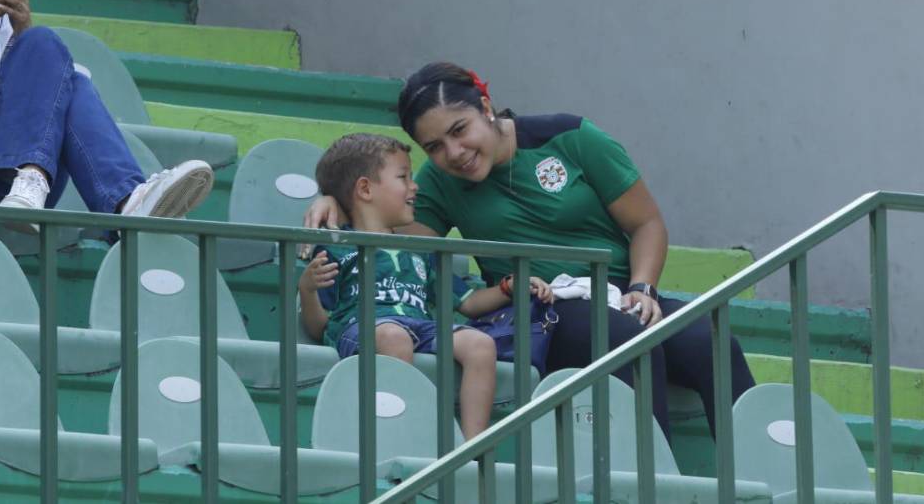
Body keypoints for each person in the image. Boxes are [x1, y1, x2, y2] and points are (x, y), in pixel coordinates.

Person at [305, 62, 756, 439]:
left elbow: (647, 224)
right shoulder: (440, 183)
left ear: (485, 107)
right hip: (538, 309)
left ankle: (759, 485)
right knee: (623, 338)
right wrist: (332, 197)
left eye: (460, 130)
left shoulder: (571, 136)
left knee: (711, 342)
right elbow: (386, 228)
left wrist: (643, 287)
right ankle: (647, 485)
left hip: (617, 293)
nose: (454, 153)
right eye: (435, 147)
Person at [298, 133, 554, 439]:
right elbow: (318, 326)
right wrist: (307, 289)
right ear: (365, 188)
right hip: (365, 329)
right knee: (393, 336)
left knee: (480, 344)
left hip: (420, 326)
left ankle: (471, 447)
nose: (414, 186)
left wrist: (508, 288)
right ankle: (397, 431)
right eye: (404, 177)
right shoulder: (337, 248)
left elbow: (468, 303)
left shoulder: (420, 248)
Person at [0, 0, 214, 233]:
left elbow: (14, 88)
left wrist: (20, 28)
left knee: (45, 49)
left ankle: (59, 186)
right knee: (65, 77)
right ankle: (123, 200)